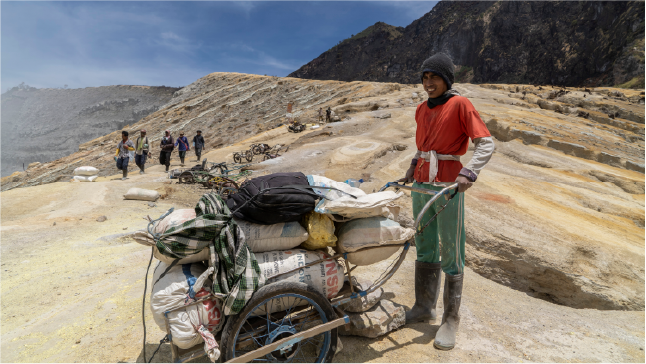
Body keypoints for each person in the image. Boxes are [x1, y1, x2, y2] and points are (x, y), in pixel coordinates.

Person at [399, 53, 495, 351]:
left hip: (449, 185)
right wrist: (411, 168)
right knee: (424, 241)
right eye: (425, 78)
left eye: (435, 78)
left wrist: (469, 172)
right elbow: (422, 147)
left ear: (447, 80)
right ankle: (423, 306)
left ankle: (451, 319)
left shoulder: (460, 104)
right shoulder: (420, 109)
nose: (429, 83)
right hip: (421, 184)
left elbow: (486, 143)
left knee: (451, 246)